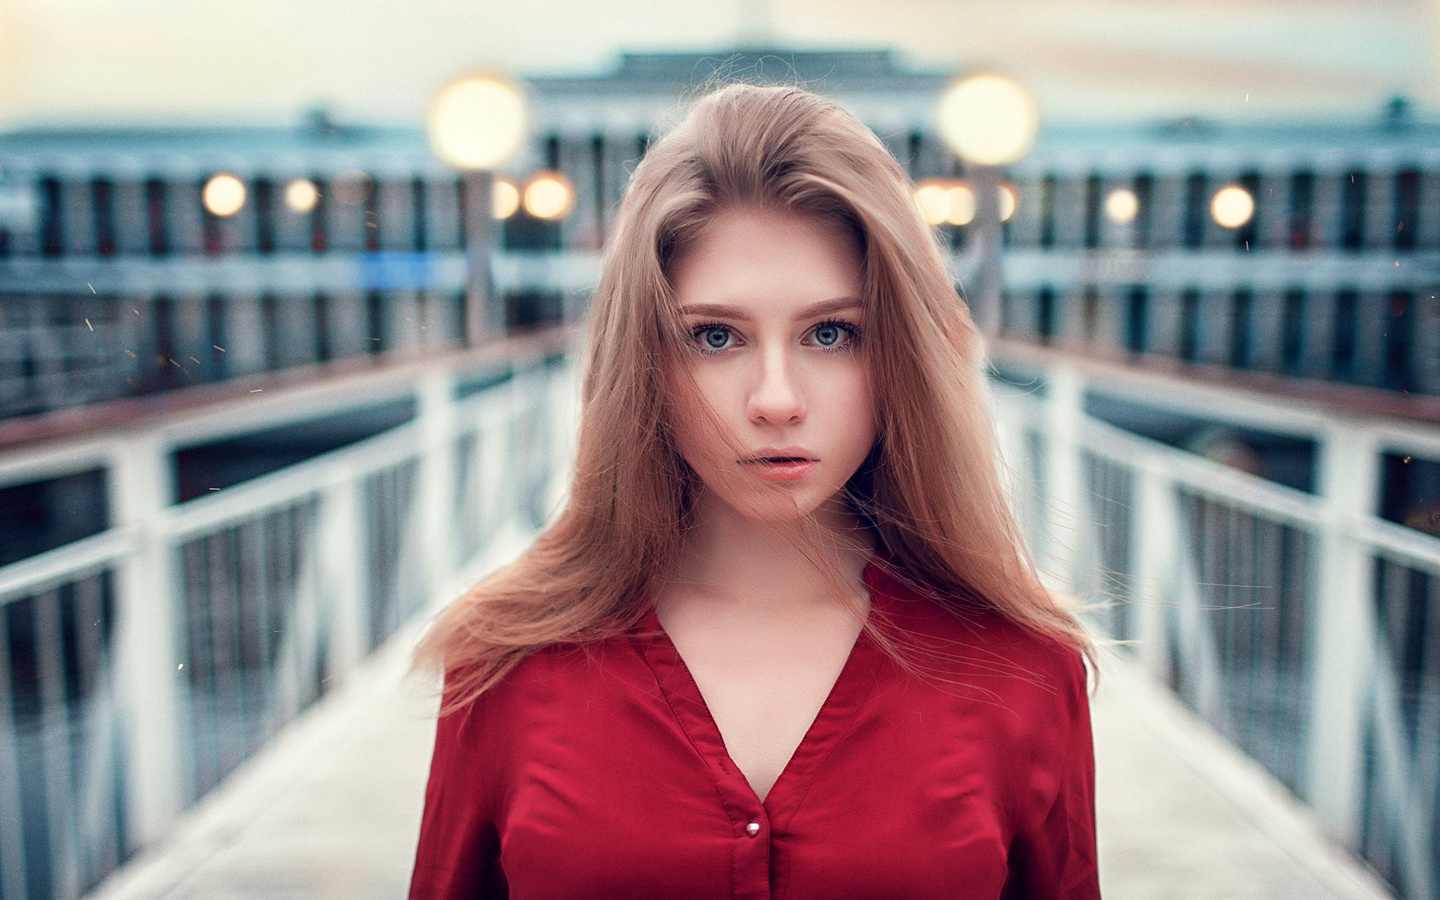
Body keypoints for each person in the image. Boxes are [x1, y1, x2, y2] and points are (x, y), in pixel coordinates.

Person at [409, 83, 1100, 899]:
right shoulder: (504, 666)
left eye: (832, 332)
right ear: (647, 365)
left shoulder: (1021, 671)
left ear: (900, 358)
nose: (775, 399)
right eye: (715, 336)